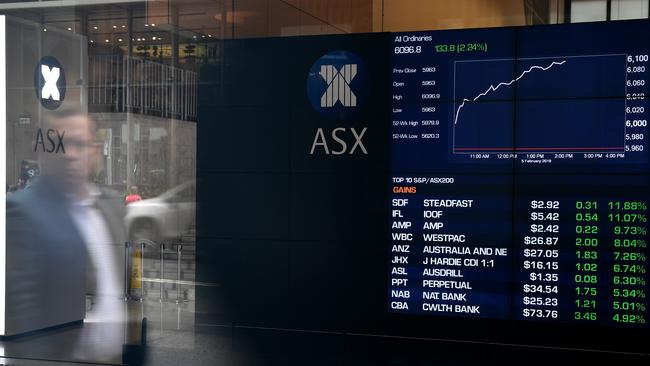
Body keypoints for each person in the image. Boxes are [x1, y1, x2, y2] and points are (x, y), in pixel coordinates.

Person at [5, 108, 134, 363]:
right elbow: (23, 318)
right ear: (42, 150)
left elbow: (127, 288)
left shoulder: (112, 206)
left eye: (80, 144)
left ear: (95, 150)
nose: (69, 154)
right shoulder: (22, 211)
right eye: (59, 143)